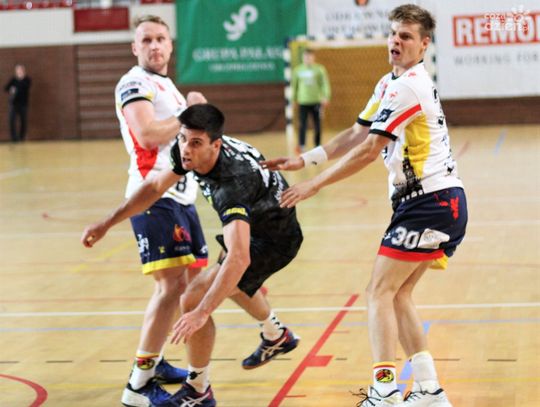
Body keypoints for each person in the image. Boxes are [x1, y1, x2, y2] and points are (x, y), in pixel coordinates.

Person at [263, 4, 466, 407]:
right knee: (398, 294)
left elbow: (370, 150)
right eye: (393, 33)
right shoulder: (389, 82)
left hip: (430, 201)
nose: (396, 41)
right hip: (435, 202)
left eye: (406, 36)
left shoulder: (409, 86)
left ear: (424, 45)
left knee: (378, 292)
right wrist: (307, 160)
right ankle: (429, 390)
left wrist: (315, 184)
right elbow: (357, 132)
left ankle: (385, 391)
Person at [81, 15, 209, 407]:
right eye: (146, 40)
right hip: (153, 197)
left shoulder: (168, 86)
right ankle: (138, 386)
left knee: (185, 288)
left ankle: (156, 362)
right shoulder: (134, 82)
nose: (154, 45)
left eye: (160, 39)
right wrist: (190, 112)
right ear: (135, 48)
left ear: (171, 46)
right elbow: (148, 134)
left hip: (181, 197)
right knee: (170, 287)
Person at [291, 48, 331, 154]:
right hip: (303, 101)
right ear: (303, 57)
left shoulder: (319, 69)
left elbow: (324, 84)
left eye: (309, 56)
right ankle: (302, 145)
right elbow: (294, 86)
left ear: (313, 57)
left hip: (316, 101)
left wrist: (326, 96)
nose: (307, 58)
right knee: (302, 124)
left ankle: (317, 145)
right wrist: (293, 99)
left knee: (317, 124)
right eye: (305, 56)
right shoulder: (297, 70)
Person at [4, 64, 31, 142]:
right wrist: (11, 89)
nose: (19, 71)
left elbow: (25, 87)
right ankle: (14, 138)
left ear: (23, 70)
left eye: (20, 70)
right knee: (11, 120)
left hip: (23, 104)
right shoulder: (13, 80)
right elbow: (6, 88)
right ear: (16, 71)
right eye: (18, 70)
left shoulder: (27, 79)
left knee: (23, 121)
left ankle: (22, 137)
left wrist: (16, 87)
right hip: (13, 104)